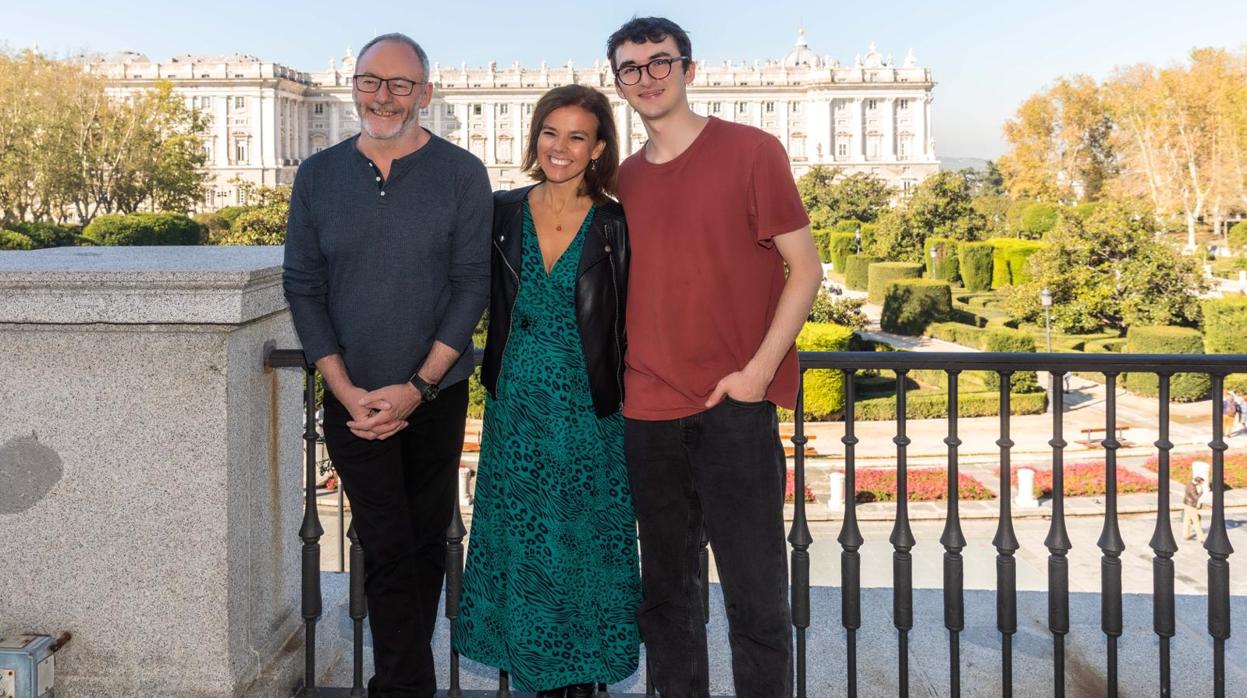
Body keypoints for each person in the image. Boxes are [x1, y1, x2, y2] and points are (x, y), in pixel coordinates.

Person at [606, 17, 823, 698]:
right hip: (644, 411)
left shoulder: (752, 151)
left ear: (689, 69)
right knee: (667, 599)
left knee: (756, 597)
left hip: (732, 409)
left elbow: (805, 269)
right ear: (618, 83)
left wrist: (756, 374)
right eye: (630, 68)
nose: (646, 77)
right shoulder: (622, 179)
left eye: (658, 62)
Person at [282, 33, 491, 697]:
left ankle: (400, 682)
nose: (384, 95)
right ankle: (405, 687)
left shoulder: (461, 173)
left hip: (435, 393)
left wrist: (418, 386)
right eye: (372, 81)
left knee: (426, 540)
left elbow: (470, 285)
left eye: (400, 84)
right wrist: (343, 389)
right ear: (353, 88)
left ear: (424, 94)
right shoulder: (317, 175)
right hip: (352, 397)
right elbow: (302, 284)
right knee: (387, 540)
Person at [453, 84, 639, 698]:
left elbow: (639, 313)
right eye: (550, 133)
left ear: (599, 147)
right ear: (536, 138)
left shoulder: (616, 221)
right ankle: (534, 664)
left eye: (576, 136)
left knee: (585, 537)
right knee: (523, 538)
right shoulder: (503, 210)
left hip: (588, 403)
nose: (560, 147)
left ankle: (581, 674)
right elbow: (459, 284)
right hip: (519, 400)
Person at [1183, 469, 1208, 543]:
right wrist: (1201, 492)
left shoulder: (1189, 483)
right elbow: (1196, 497)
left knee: (1187, 520)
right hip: (1191, 506)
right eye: (1201, 483)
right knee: (1196, 521)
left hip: (1186, 504)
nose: (1201, 485)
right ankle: (1201, 538)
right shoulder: (1193, 487)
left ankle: (1186, 535)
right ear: (1198, 482)